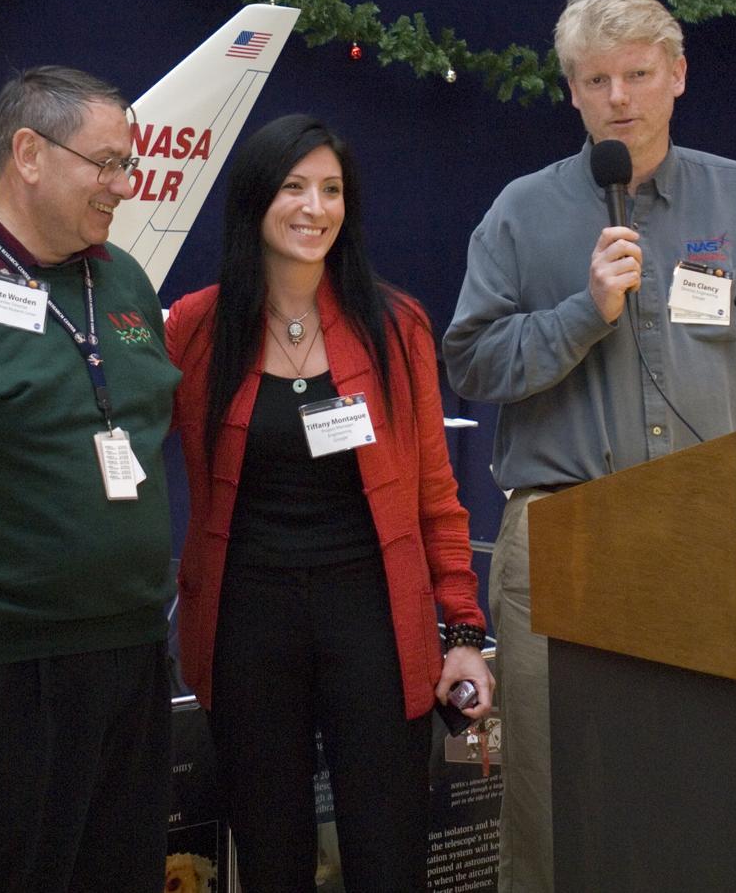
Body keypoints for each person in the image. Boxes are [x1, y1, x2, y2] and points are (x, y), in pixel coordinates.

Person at [443, 0, 736, 893]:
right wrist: (584, 311)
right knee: (556, 788)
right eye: (597, 78)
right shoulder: (523, 211)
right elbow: (473, 366)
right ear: (571, 91)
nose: (620, 97)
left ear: (677, 75)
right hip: (564, 531)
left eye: (639, 74)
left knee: (704, 776)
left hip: (707, 531)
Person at [166, 114, 495, 893]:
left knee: (388, 854)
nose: (315, 208)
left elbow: (435, 497)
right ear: (254, 201)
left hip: (373, 617)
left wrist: (461, 630)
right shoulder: (195, 328)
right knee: (270, 854)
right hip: (247, 620)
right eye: (293, 187)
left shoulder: (396, 325)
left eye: (331, 190)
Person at [0, 66, 180, 893]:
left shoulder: (121, 278)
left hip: (131, 654)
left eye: (128, 164)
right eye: (107, 163)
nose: (124, 186)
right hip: (6, 673)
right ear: (28, 153)